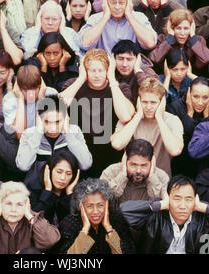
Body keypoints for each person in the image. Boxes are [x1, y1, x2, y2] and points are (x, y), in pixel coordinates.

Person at [59, 48, 135, 178]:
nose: (97, 75)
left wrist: (112, 80)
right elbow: (58, 107)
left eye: (101, 70)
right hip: (80, 148)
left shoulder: (120, 87)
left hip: (109, 149)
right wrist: (81, 78)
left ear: (108, 70)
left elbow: (126, 116)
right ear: (85, 70)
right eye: (92, 70)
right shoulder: (73, 84)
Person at [120, 174, 209, 253]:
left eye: (188, 199)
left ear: (195, 199)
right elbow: (124, 210)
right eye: (177, 198)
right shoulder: (156, 213)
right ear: (168, 198)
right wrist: (162, 204)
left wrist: (203, 207)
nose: (183, 206)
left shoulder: (204, 217)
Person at [16, 95, 92, 200]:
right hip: (37, 192)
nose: (53, 128)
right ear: (39, 119)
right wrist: (38, 132)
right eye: (47, 122)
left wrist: (67, 133)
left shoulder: (74, 131)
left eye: (58, 122)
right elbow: (23, 166)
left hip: (67, 191)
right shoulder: (30, 134)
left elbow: (85, 164)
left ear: (65, 119)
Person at [111, 78, 184, 177]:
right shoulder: (130, 118)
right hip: (132, 180)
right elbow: (117, 144)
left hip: (160, 180)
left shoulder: (172, 120)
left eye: (153, 102)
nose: (148, 107)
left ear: (162, 102)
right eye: (145, 102)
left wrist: (159, 117)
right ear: (139, 101)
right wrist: (138, 116)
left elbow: (175, 150)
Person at [0, 181, 61, 254]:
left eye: (19, 204)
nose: (13, 209)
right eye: (8, 203)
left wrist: (29, 215)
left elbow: (49, 240)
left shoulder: (32, 219)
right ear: (0, 204)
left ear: (26, 205)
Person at [54, 178, 136, 254]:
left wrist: (109, 228)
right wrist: (85, 230)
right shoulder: (69, 223)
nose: (96, 211)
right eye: (89, 206)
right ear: (80, 206)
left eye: (100, 205)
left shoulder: (116, 219)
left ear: (107, 204)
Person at [79, 0, 157, 54]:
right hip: (103, 66)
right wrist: (105, 16)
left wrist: (129, 16)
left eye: (121, 2)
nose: (117, 7)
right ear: (106, 2)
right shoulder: (95, 18)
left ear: (128, 2)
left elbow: (150, 44)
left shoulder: (139, 17)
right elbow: (85, 44)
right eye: (113, 2)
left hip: (130, 65)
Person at [167, 77, 209, 177]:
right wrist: (189, 114)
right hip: (181, 162)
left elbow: (207, 143)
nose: (200, 102)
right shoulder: (175, 108)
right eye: (196, 97)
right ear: (189, 93)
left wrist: (207, 117)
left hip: (206, 164)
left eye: (205, 97)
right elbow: (185, 142)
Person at [101, 139, 169, 203]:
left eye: (143, 165)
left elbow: (162, 204)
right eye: (133, 165)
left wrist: (152, 177)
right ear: (125, 161)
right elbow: (102, 199)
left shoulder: (162, 177)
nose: (138, 171)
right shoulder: (111, 172)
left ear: (151, 163)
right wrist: (122, 175)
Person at [3, 65, 57, 139]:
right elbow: (21, 135)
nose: (31, 95)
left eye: (34, 89)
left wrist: (42, 99)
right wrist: (20, 100)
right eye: (26, 90)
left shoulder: (51, 93)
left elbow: (51, 129)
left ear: (40, 86)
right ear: (18, 88)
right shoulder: (9, 99)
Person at [149, 9, 209, 74]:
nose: (182, 33)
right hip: (167, 79)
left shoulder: (198, 40)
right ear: (171, 28)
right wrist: (169, 40)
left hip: (191, 79)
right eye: (178, 28)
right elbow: (154, 59)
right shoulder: (163, 39)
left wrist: (193, 38)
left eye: (186, 28)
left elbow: (206, 59)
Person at [27, 151, 81, 225]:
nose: (63, 178)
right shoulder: (33, 188)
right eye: (59, 172)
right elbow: (32, 222)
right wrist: (47, 191)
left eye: (68, 174)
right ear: (49, 170)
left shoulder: (78, 192)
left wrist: (70, 194)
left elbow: (77, 223)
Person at [111, 39, 158, 105]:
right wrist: (111, 75)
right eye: (120, 59)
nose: (124, 64)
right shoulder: (109, 72)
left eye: (129, 59)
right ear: (113, 59)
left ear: (137, 59)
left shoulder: (147, 72)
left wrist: (138, 71)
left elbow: (154, 94)